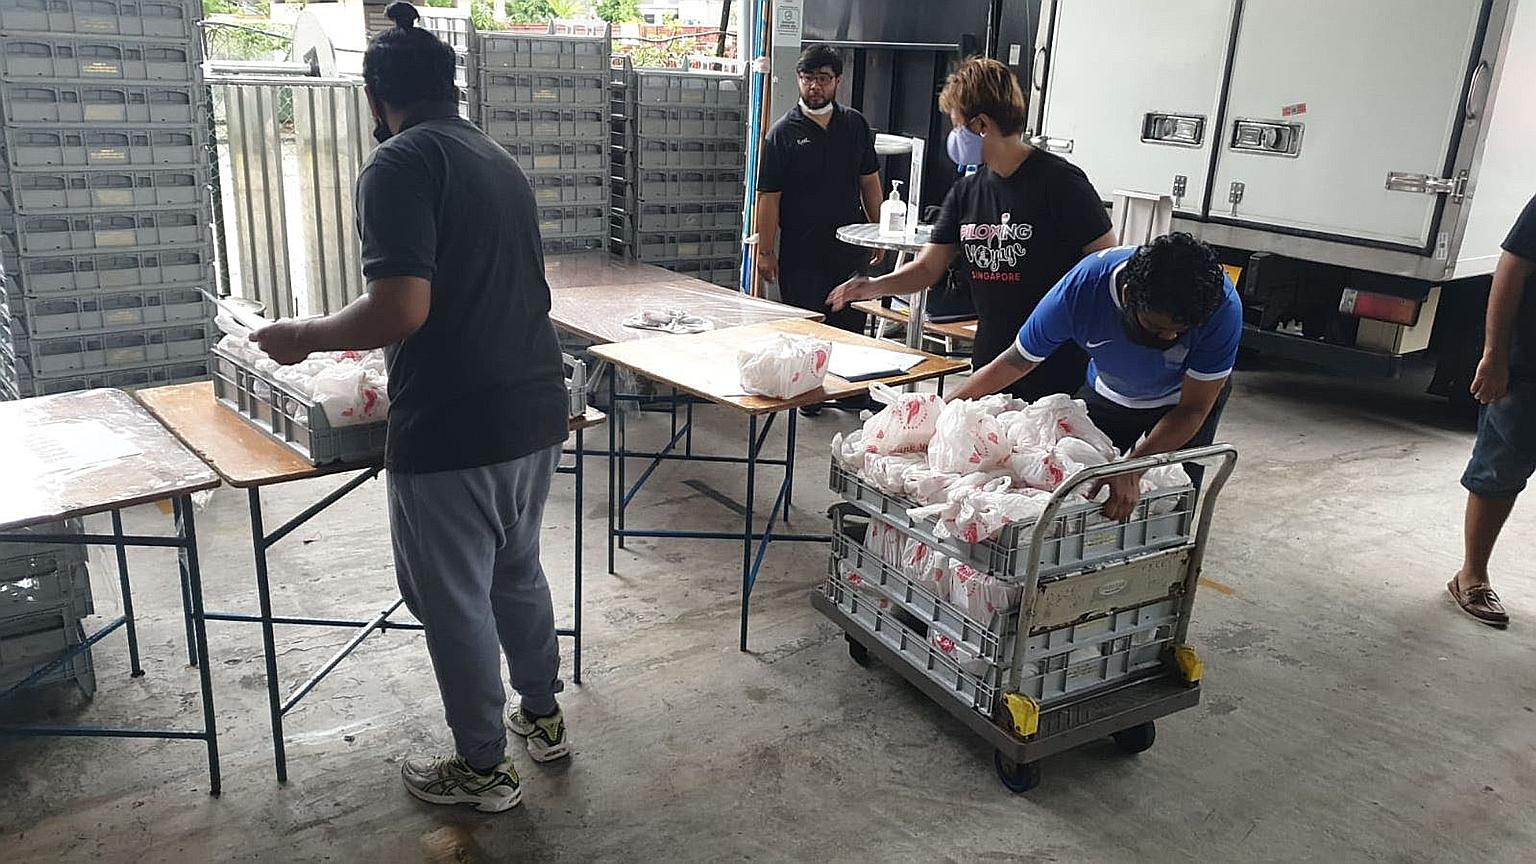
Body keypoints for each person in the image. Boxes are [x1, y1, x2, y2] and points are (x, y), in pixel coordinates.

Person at [252, 1, 569, 813]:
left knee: (453, 598)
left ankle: (483, 766)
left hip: (454, 423)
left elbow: (401, 309)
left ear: (374, 99)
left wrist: (305, 335)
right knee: (515, 569)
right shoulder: (495, 157)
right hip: (533, 408)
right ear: (452, 86)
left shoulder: (396, 165)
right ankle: (543, 715)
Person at [829, 56, 1116, 401]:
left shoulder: (1061, 183)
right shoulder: (967, 191)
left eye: (956, 124)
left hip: (1057, 364)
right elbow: (927, 268)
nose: (953, 136)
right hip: (991, 358)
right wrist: (873, 286)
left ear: (980, 125)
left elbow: (1102, 266)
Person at [948, 233, 1242, 521]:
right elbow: (1016, 361)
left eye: (1182, 331)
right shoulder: (1081, 291)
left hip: (1182, 403)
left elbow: (1193, 409)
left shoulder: (1222, 308)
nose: (1171, 337)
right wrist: (942, 409)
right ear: (1128, 296)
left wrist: (1134, 467)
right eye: (1156, 327)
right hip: (1109, 391)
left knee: (1169, 504)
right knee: (1074, 490)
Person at [754, 44, 885, 415]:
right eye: (808, 78)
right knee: (808, 326)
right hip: (802, 249)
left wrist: (877, 231)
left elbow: (870, 182)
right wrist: (765, 250)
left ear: (837, 83)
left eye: (823, 79)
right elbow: (769, 198)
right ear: (799, 80)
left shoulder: (855, 125)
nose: (814, 86)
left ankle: (850, 392)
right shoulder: (783, 134)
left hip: (850, 245)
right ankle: (808, 395)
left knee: (850, 324)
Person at [1449, 195, 1536, 628]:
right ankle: (1472, 575)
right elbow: (1511, 269)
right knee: (1498, 471)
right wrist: (1495, 356)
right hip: (1528, 370)